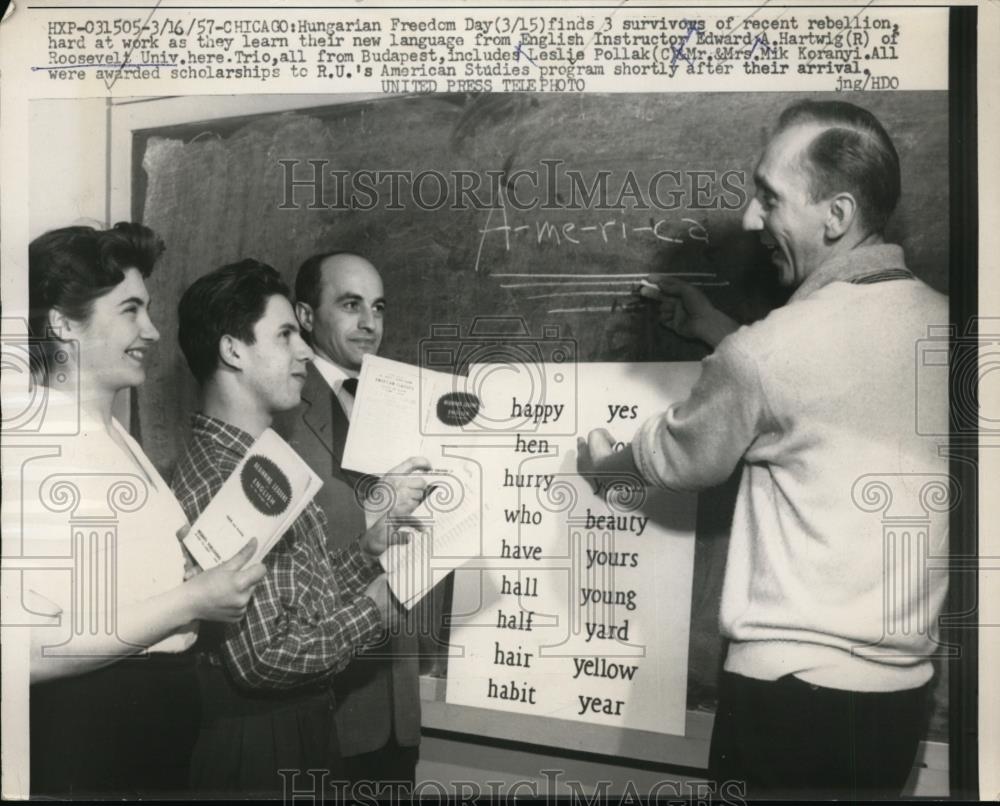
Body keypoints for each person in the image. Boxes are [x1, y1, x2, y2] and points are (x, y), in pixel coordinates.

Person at [578, 100, 948, 800]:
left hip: (787, 701)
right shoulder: (954, 329)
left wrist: (607, 461)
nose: (752, 220)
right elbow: (834, 389)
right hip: (901, 702)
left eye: (769, 197)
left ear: (835, 217)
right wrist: (721, 331)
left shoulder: (770, 351)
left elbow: (686, 454)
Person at [17, 223, 265, 797]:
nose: (151, 331)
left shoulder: (119, 439)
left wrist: (199, 583)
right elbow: (26, 650)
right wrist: (193, 598)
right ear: (61, 323)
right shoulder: (34, 448)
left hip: (149, 739)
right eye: (130, 310)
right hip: (85, 740)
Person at [171, 259, 429, 796]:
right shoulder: (226, 477)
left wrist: (366, 550)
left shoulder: (260, 460)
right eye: (286, 334)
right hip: (261, 746)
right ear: (233, 350)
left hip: (295, 733)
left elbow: (296, 596)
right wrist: (378, 607)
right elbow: (264, 656)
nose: (305, 351)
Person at [275, 251, 421, 788]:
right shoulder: (280, 403)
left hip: (397, 702)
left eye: (378, 308)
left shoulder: (405, 400)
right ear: (307, 316)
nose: (369, 324)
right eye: (351, 305)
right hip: (325, 706)